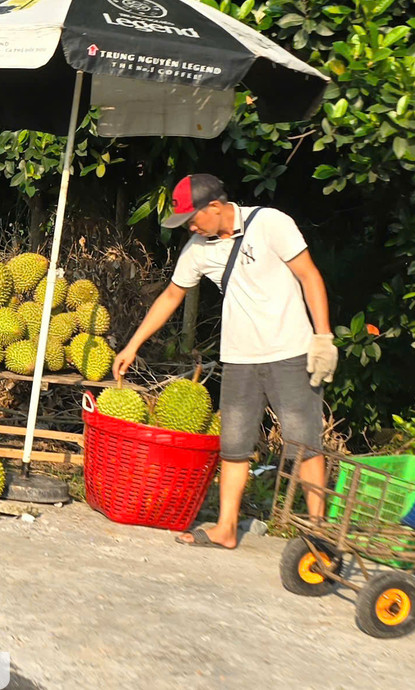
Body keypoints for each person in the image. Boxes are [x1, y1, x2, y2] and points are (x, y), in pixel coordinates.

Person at [112, 173, 337, 550]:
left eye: (193, 219)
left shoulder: (271, 224)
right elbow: (171, 296)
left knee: (305, 445)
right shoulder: (199, 248)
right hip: (239, 359)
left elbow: (309, 275)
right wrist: (133, 344)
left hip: (290, 352)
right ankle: (226, 528)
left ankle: (319, 531)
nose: (191, 228)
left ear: (215, 206)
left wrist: (324, 336)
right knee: (233, 447)